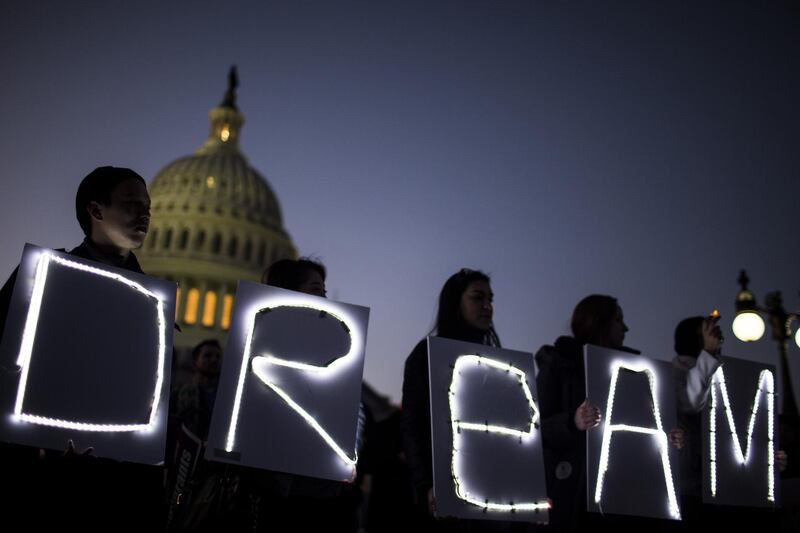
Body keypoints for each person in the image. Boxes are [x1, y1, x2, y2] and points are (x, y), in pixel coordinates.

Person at [0, 166, 160, 529]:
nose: (144, 214)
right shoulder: (41, 277)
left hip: (121, 481)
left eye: (147, 206)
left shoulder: (152, 302)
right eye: (132, 204)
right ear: (96, 211)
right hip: (42, 475)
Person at [401, 268, 500, 528]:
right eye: (478, 298)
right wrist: (426, 485)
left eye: (490, 299)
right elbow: (413, 424)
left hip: (493, 496)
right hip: (445, 498)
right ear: (456, 302)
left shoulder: (498, 363)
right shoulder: (426, 356)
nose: (487, 306)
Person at [672, 314, 788, 529]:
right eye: (709, 332)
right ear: (695, 337)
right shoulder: (676, 374)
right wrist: (708, 353)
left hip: (727, 490)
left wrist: (766, 459)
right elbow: (691, 402)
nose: (718, 337)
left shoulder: (719, 373)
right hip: (694, 492)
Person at [534, 294, 635, 532]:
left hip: (618, 494)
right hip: (571, 497)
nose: (626, 328)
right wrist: (572, 422)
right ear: (599, 323)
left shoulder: (634, 372)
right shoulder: (558, 365)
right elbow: (536, 427)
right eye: (618, 320)